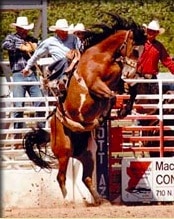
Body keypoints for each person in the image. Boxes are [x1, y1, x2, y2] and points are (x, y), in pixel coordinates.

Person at [1, 16, 45, 144]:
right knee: (18, 106)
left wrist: (35, 46)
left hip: (32, 74)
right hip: (18, 74)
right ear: (18, 28)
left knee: (40, 103)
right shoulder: (11, 38)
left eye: (26, 29)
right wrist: (20, 46)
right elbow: (5, 45)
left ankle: (41, 134)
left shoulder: (32, 40)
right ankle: (18, 137)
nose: (24, 31)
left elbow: (40, 46)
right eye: (22, 29)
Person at [121, 19, 174, 116]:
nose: (151, 33)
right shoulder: (139, 44)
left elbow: (168, 61)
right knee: (140, 104)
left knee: (155, 105)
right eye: (150, 31)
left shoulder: (159, 47)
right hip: (139, 77)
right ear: (147, 31)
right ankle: (139, 123)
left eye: (154, 32)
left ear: (157, 33)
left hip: (152, 78)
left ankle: (150, 125)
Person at [22, 19, 81, 95]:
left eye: (66, 31)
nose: (65, 33)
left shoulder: (73, 38)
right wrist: (27, 67)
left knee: (68, 60)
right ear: (56, 31)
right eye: (62, 31)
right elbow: (36, 55)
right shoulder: (49, 42)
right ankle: (63, 78)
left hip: (73, 65)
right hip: (58, 67)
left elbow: (80, 49)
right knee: (64, 60)